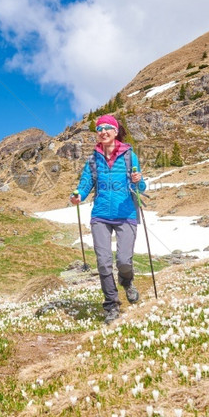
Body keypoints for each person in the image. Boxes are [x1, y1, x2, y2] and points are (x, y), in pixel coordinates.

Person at [70, 114, 146, 324]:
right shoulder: (93, 158)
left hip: (126, 214)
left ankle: (127, 281)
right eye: (99, 129)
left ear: (115, 131)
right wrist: (78, 196)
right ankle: (111, 306)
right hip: (100, 216)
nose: (103, 132)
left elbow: (140, 187)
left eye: (107, 128)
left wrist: (138, 181)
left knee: (123, 261)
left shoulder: (130, 155)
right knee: (103, 263)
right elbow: (86, 183)